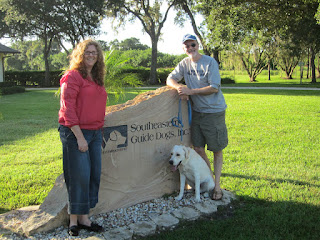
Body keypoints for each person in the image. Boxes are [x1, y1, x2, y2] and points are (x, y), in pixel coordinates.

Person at [166, 34, 228, 200]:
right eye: (187, 46)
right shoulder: (185, 63)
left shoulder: (209, 62)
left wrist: (190, 91)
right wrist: (180, 87)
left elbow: (214, 87)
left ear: (197, 45)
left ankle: (218, 187)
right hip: (197, 112)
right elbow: (170, 79)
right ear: (183, 48)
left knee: (216, 150)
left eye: (192, 45)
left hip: (214, 112)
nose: (190, 48)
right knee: (199, 149)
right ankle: (208, 181)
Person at [58, 39, 107, 236]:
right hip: (75, 132)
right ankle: (73, 221)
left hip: (95, 133)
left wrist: (98, 132)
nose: (91, 55)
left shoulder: (96, 77)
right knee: (78, 176)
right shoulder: (73, 76)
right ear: (80, 54)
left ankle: (85, 218)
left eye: (94, 52)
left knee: (93, 175)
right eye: (87, 51)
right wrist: (79, 137)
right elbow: (67, 109)